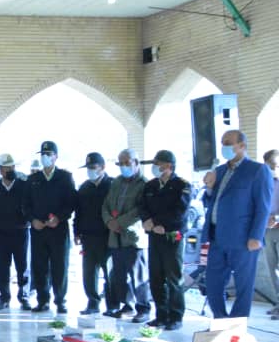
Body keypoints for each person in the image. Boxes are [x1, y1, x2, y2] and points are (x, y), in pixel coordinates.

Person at [201, 129, 274, 319]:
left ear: (242, 145)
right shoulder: (219, 171)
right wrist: (209, 189)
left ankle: (236, 327)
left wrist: (256, 236)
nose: (223, 146)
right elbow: (209, 202)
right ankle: (220, 320)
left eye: (228, 143)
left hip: (243, 239)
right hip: (217, 237)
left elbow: (263, 207)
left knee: (243, 286)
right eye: (222, 143)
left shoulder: (257, 170)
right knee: (213, 284)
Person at [141, 150, 191, 330]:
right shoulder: (151, 185)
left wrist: (159, 223)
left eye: (158, 164)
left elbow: (180, 211)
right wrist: (147, 221)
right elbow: (143, 206)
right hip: (154, 236)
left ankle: (175, 316)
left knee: (173, 278)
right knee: (156, 277)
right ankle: (161, 315)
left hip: (172, 236)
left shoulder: (181, 185)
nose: (155, 167)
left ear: (169, 166)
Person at [25, 141, 77, 314]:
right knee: (39, 266)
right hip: (38, 230)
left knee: (59, 266)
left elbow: (71, 203)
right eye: (43, 154)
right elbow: (25, 205)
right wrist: (32, 220)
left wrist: (59, 218)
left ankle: (60, 300)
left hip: (58, 230)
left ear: (56, 156)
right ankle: (42, 300)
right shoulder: (33, 179)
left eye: (49, 154)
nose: (45, 157)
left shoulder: (65, 177)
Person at [101, 149, 151, 323]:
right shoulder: (116, 182)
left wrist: (120, 222)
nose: (123, 166)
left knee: (138, 275)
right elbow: (106, 205)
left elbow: (140, 209)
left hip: (133, 237)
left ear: (136, 163)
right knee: (120, 275)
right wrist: (109, 221)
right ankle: (127, 306)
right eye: (120, 163)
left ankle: (143, 308)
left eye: (127, 163)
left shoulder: (144, 184)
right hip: (115, 237)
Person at [0, 154, 31, 311]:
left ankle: (24, 296)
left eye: (12, 167)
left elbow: (28, 205)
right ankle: (4, 297)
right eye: (7, 168)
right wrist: (0, 219)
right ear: (0, 170)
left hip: (20, 232)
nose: (10, 170)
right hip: (1, 233)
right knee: (2, 267)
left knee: (22, 267)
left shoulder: (23, 185)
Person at [74, 153, 114, 315]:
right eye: (88, 168)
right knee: (89, 273)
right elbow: (78, 212)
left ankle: (112, 305)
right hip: (88, 237)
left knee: (109, 272)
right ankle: (92, 302)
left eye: (93, 167)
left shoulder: (112, 185)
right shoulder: (84, 187)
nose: (90, 171)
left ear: (103, 167)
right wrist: (77, 232)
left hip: (107, 236)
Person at [263, 149, 279, 319]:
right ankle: (278, 303)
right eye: (270, 165)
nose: (273, 169)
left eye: (275, 165)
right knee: (271, 269)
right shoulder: (263, 183)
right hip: (267, 231)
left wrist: (276, 218)